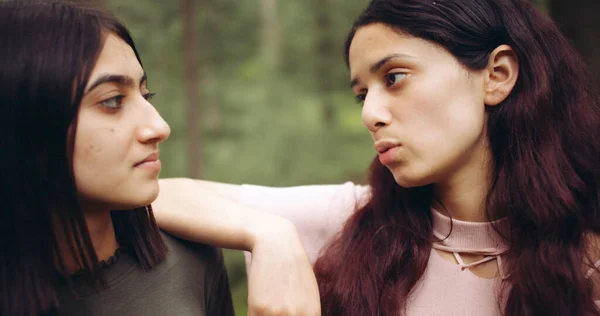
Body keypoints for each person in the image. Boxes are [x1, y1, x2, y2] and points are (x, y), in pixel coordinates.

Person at [153, 0, 600, 315]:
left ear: (497, 76)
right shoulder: (356, 222)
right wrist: (270, 233)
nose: (371, 114)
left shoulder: (587, 250)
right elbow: (159, 196)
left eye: (395, 77)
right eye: (362, 94)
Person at [0, 2, 242, 315]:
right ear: (24, 121)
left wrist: (271, 236)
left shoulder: (191, 263)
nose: (159, 127)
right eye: (113, 100)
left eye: (145, 95)